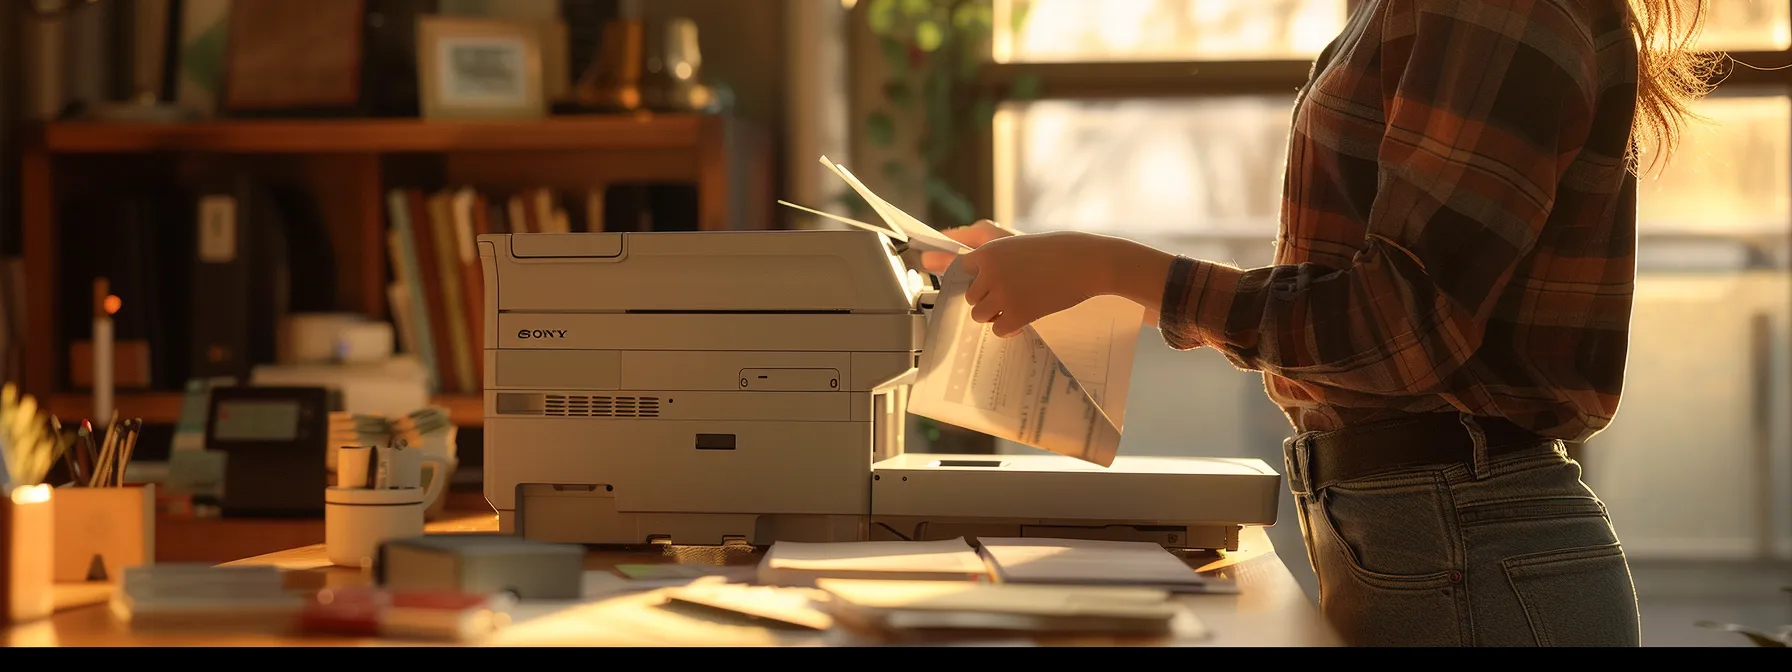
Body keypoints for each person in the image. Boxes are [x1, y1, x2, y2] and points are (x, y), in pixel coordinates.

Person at [920, 0, 1717, 647]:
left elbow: (1401, 325)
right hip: (1432, 540)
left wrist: (1113, 270)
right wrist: (1089, 275)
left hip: (1468, 551)